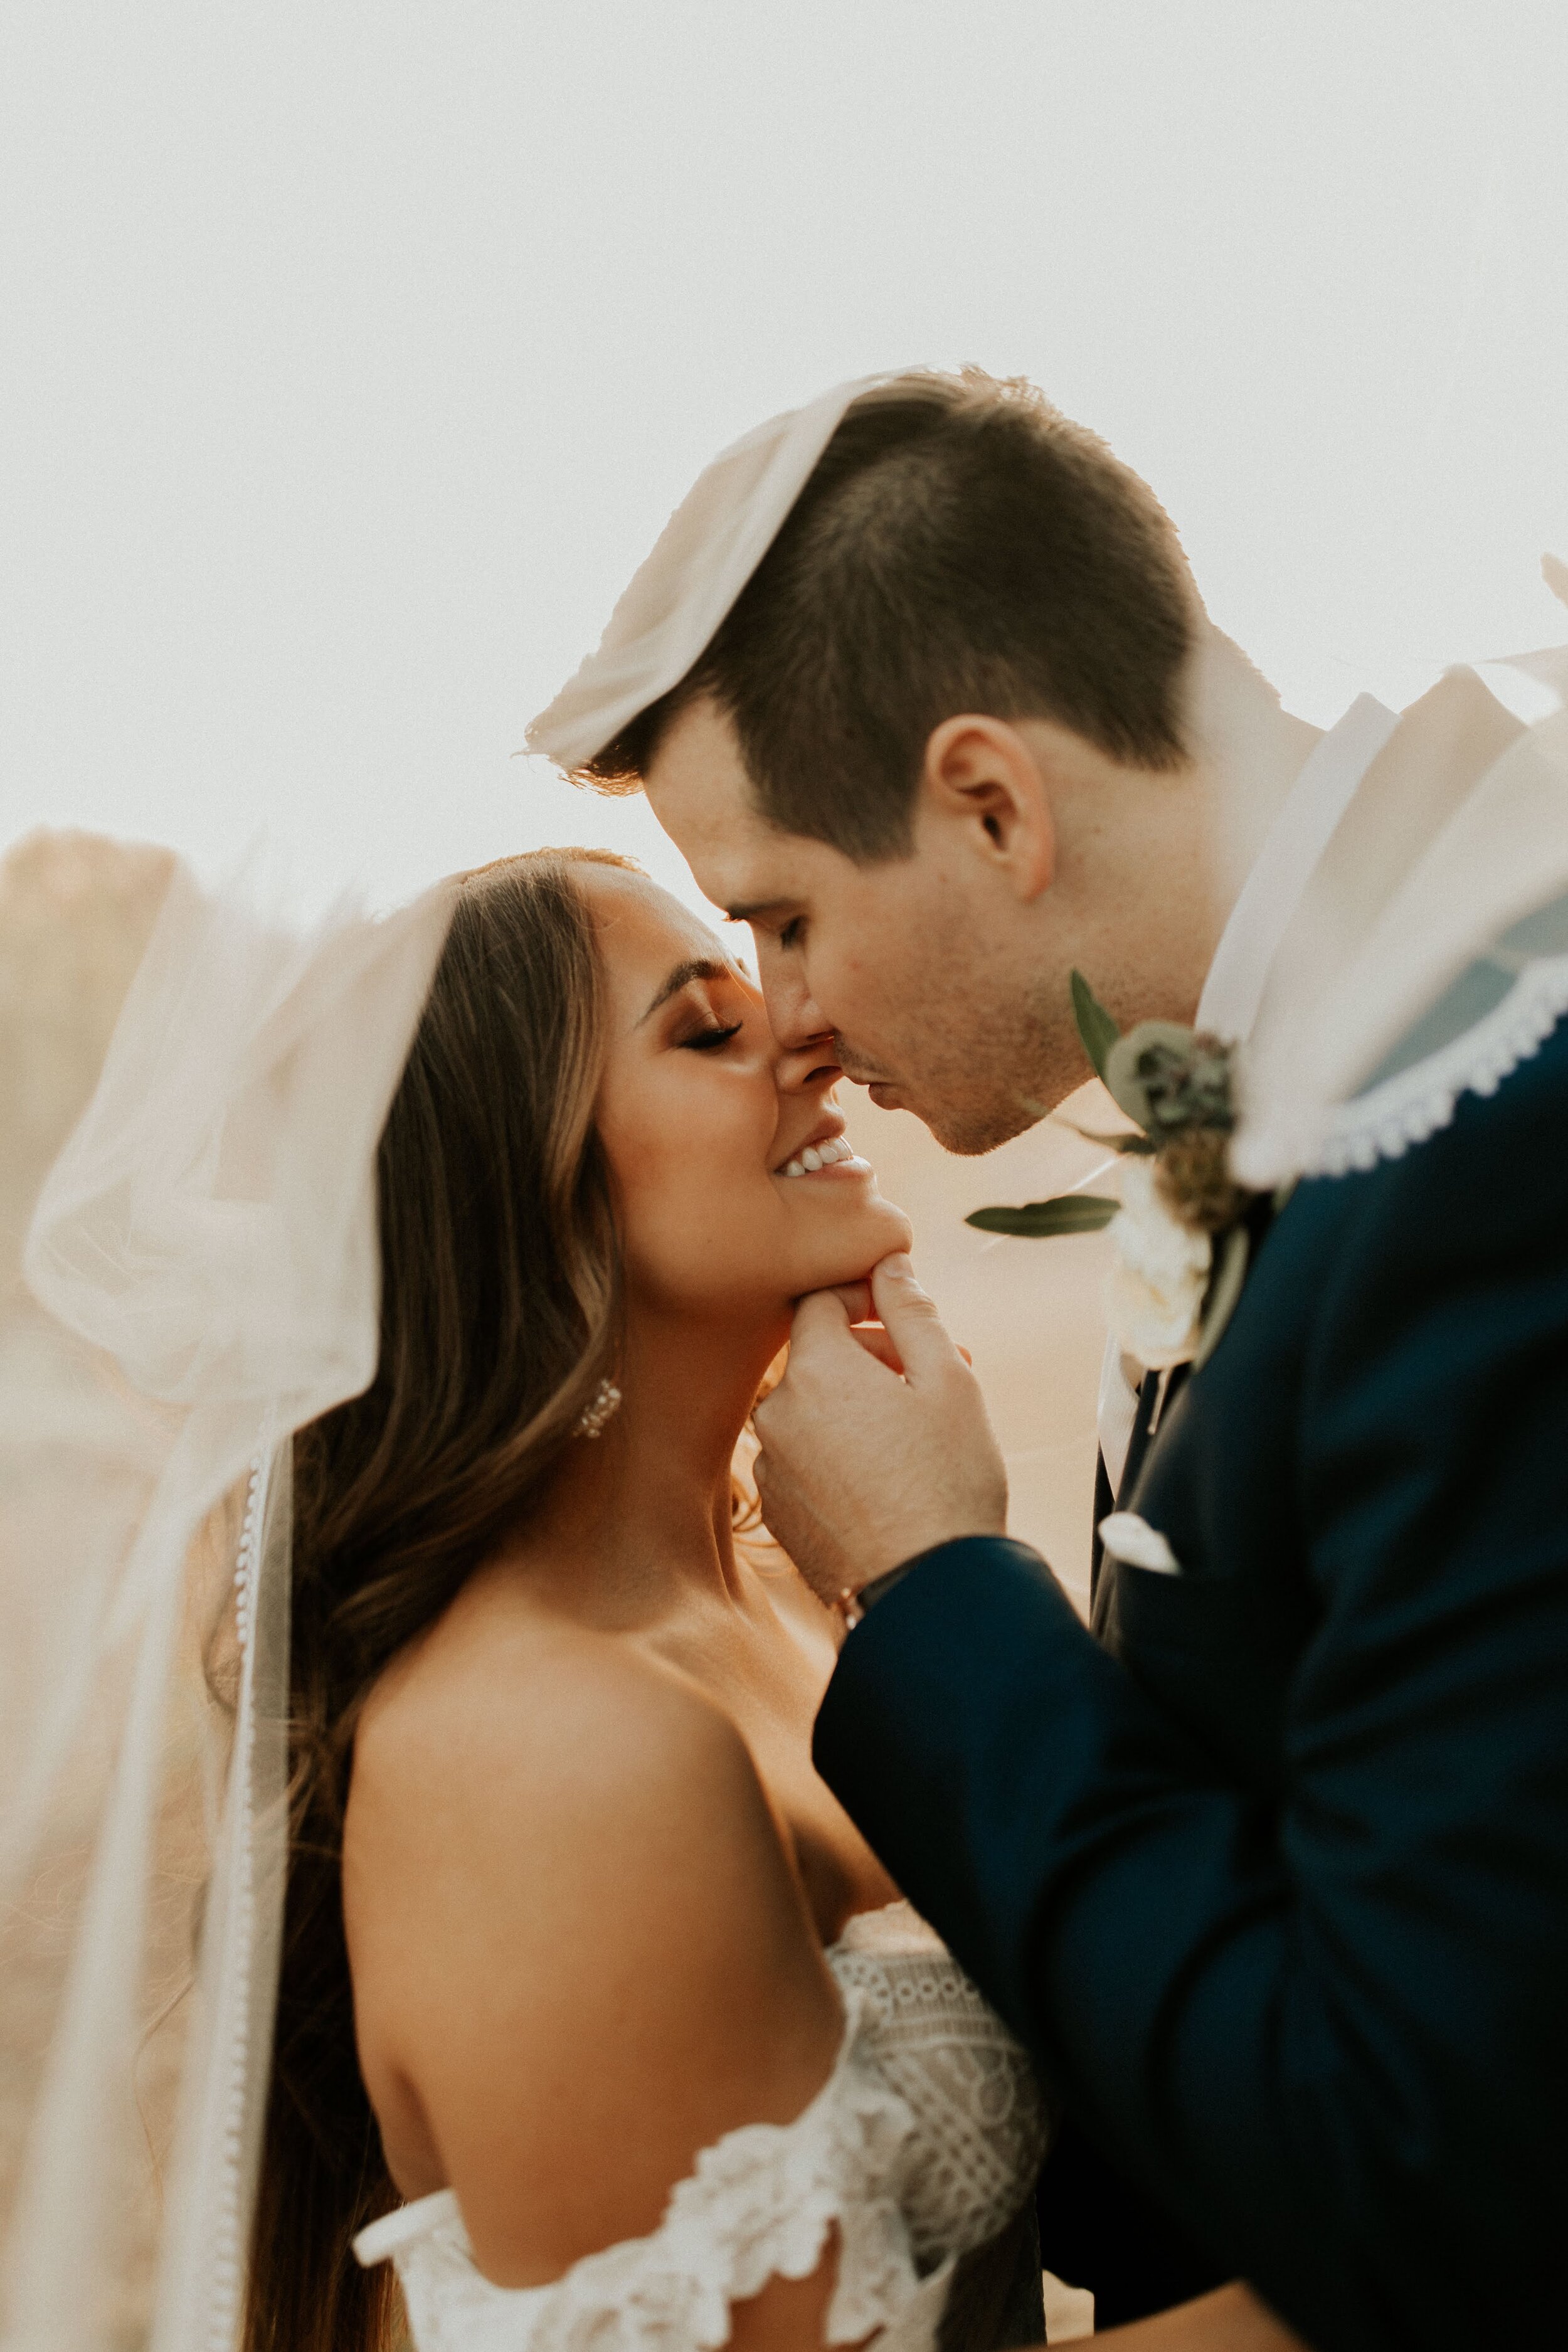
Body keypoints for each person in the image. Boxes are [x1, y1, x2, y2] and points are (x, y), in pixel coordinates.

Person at [528, 366, 1568, 2348]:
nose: (795, 1019)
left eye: (783, 917)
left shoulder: (1486, 1133)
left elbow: (1432, 2183)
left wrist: (931, 1594)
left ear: (989, 801)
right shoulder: (1354, 1061)